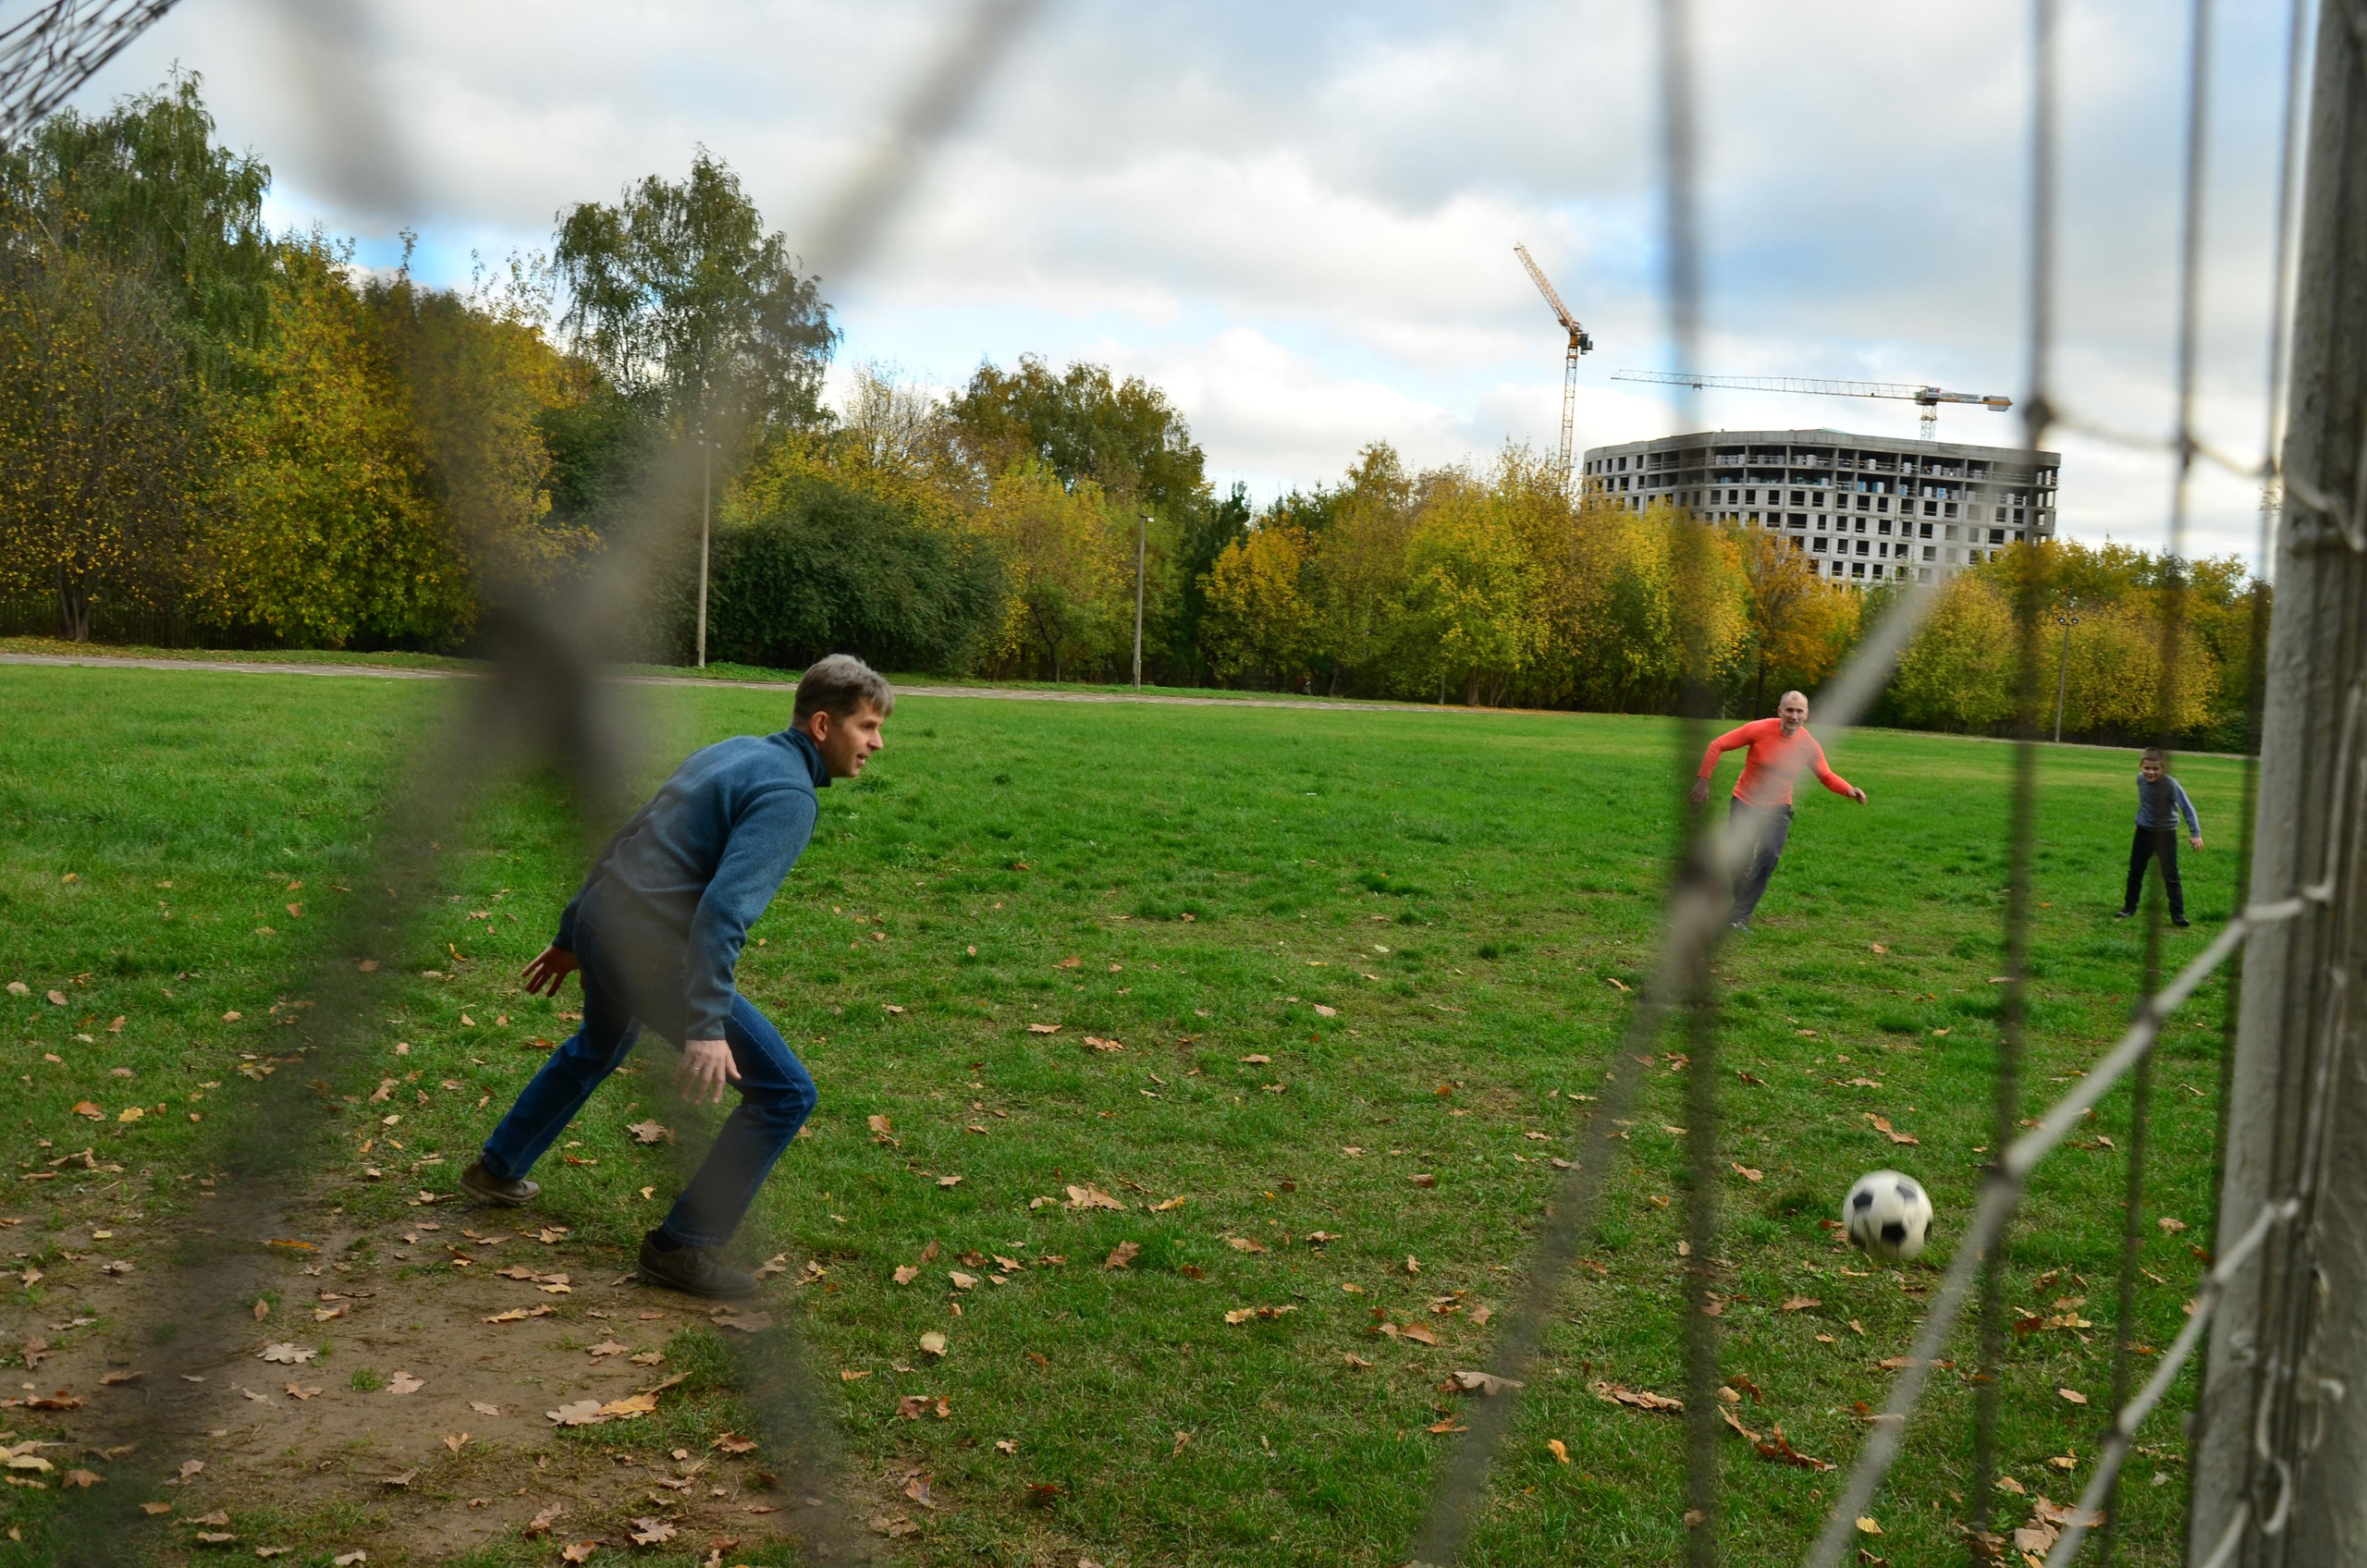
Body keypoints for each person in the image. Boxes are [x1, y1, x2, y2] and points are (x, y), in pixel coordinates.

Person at [460, 655, 891, 1298]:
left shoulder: (732, 751)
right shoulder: (789, 796)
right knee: (784, 1093)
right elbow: (723, 912)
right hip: (648, 953)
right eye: (868, 726)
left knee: (601, 1042)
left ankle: (497, 1169)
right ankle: (680, 1248)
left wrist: (575, 931)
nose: (877, 743)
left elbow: (629, 836)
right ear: (824, 724)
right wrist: (707, 1024)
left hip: (605, 925)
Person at [1689, 690, 1867, 931]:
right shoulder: (1759, 729)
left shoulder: (1807, 744)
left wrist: (1848, 789)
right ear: (1780, 711)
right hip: (1745, 803)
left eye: (1799, 711)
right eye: (1790, 710)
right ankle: (1741, 903)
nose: (1794, 716)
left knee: (1769, 856)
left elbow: (1825, 775)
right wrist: (1703, 781)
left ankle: (1738, 917)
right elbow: (1717, 745)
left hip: (1778, 808)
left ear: (1806, 714)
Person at [2118, 745, 2202, 928]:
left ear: (2163, 768)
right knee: (2135, 872)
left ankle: (2178, 915)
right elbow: (2145, 803)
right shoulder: (2140, 780)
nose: (2151, 772)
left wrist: (2195, 833)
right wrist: (2139, 821)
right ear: (2141, 766)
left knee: (2171, 875)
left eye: (2155, 769)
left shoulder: (2171, 784)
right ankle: (2129, 907)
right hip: (2144, 832)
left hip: (2166, 834)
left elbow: (2187, 808)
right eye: (2147, 768)